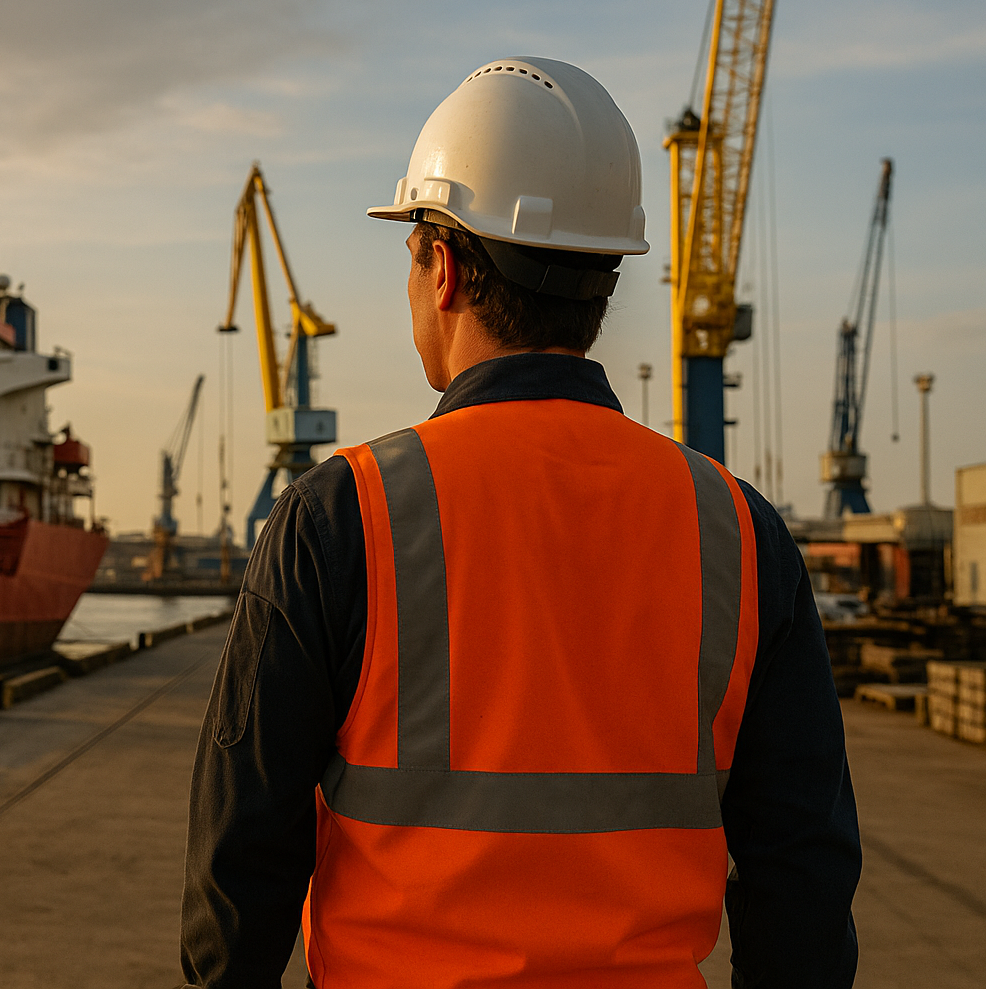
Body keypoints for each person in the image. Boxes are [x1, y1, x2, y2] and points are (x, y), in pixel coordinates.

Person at [180, 57, 860, 988]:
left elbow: (240, 865)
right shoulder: (739, 532)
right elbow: (805, 878)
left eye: (412, 251)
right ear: (603, 282)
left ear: (446, 268)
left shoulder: (342, 516)